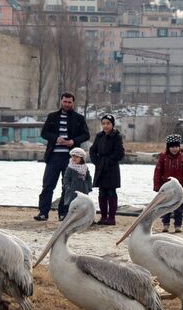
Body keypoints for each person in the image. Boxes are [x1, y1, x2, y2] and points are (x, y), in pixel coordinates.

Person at [34, 92, 90, 221]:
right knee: (48, 185)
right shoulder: (52, 116)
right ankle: (43, 213)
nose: (67, 104)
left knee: (68, 186)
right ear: (61, 101)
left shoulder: (79, 118)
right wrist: (56, 138)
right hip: (53, 157)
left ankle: (63, 213)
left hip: (71, 159)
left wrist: (73, 141)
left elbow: (86, 135)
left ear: (73, 103)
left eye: (69, 102)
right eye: (65, 102)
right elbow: (44, 133)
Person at [153, 134, 183, 233]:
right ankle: (165, 224)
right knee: (165, 206)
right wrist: (157, 186)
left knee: (179, 207)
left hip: (179, 188)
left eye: (176, 146)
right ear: (168, 147)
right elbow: (157, 171)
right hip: (166, 188)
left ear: (179, 147)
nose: (174, 149)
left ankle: (178, 225)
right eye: (172, 146)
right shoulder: (163, 158)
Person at [89, 114, 124, 226]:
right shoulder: (99, 136)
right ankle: (103, 217)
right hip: (100, 167)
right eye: (103, 123)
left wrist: (109, 161)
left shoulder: (117, 136)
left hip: (112, 168)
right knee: (102, 192)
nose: (105, 125)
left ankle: (111, 218)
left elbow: (120, 153)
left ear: (112, 124)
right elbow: (92, 150)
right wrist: (97, 161)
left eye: (108, 123)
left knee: (111, 191)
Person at [61, 147, 93, 220]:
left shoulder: (85, 167)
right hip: (72, 189)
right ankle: (69, 218)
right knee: (72, 204)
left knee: (83, 204)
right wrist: (68, 187)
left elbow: (88, 177)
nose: (74, 158)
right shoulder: (70, 167)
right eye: (73, 156)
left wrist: (89, 187)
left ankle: (83, 217)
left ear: (81, 158)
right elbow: (66, 178)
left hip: (83, 189)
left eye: (77, 157)